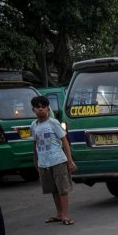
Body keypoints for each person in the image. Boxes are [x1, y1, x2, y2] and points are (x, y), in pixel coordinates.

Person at [31, 95, 76, 225]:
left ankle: (65, 216)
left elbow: (64, 141)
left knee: (63, 189)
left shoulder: (53, 123)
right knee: (53, 189)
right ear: (33, 110)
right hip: (44, 163)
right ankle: (59, 214)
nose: (41, 110)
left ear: (47, 108)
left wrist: (69, 160)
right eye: (37, 107)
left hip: (58, 160)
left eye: (43, 107)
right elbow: (35, 144)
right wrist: (36, 160)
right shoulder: (34, 125)